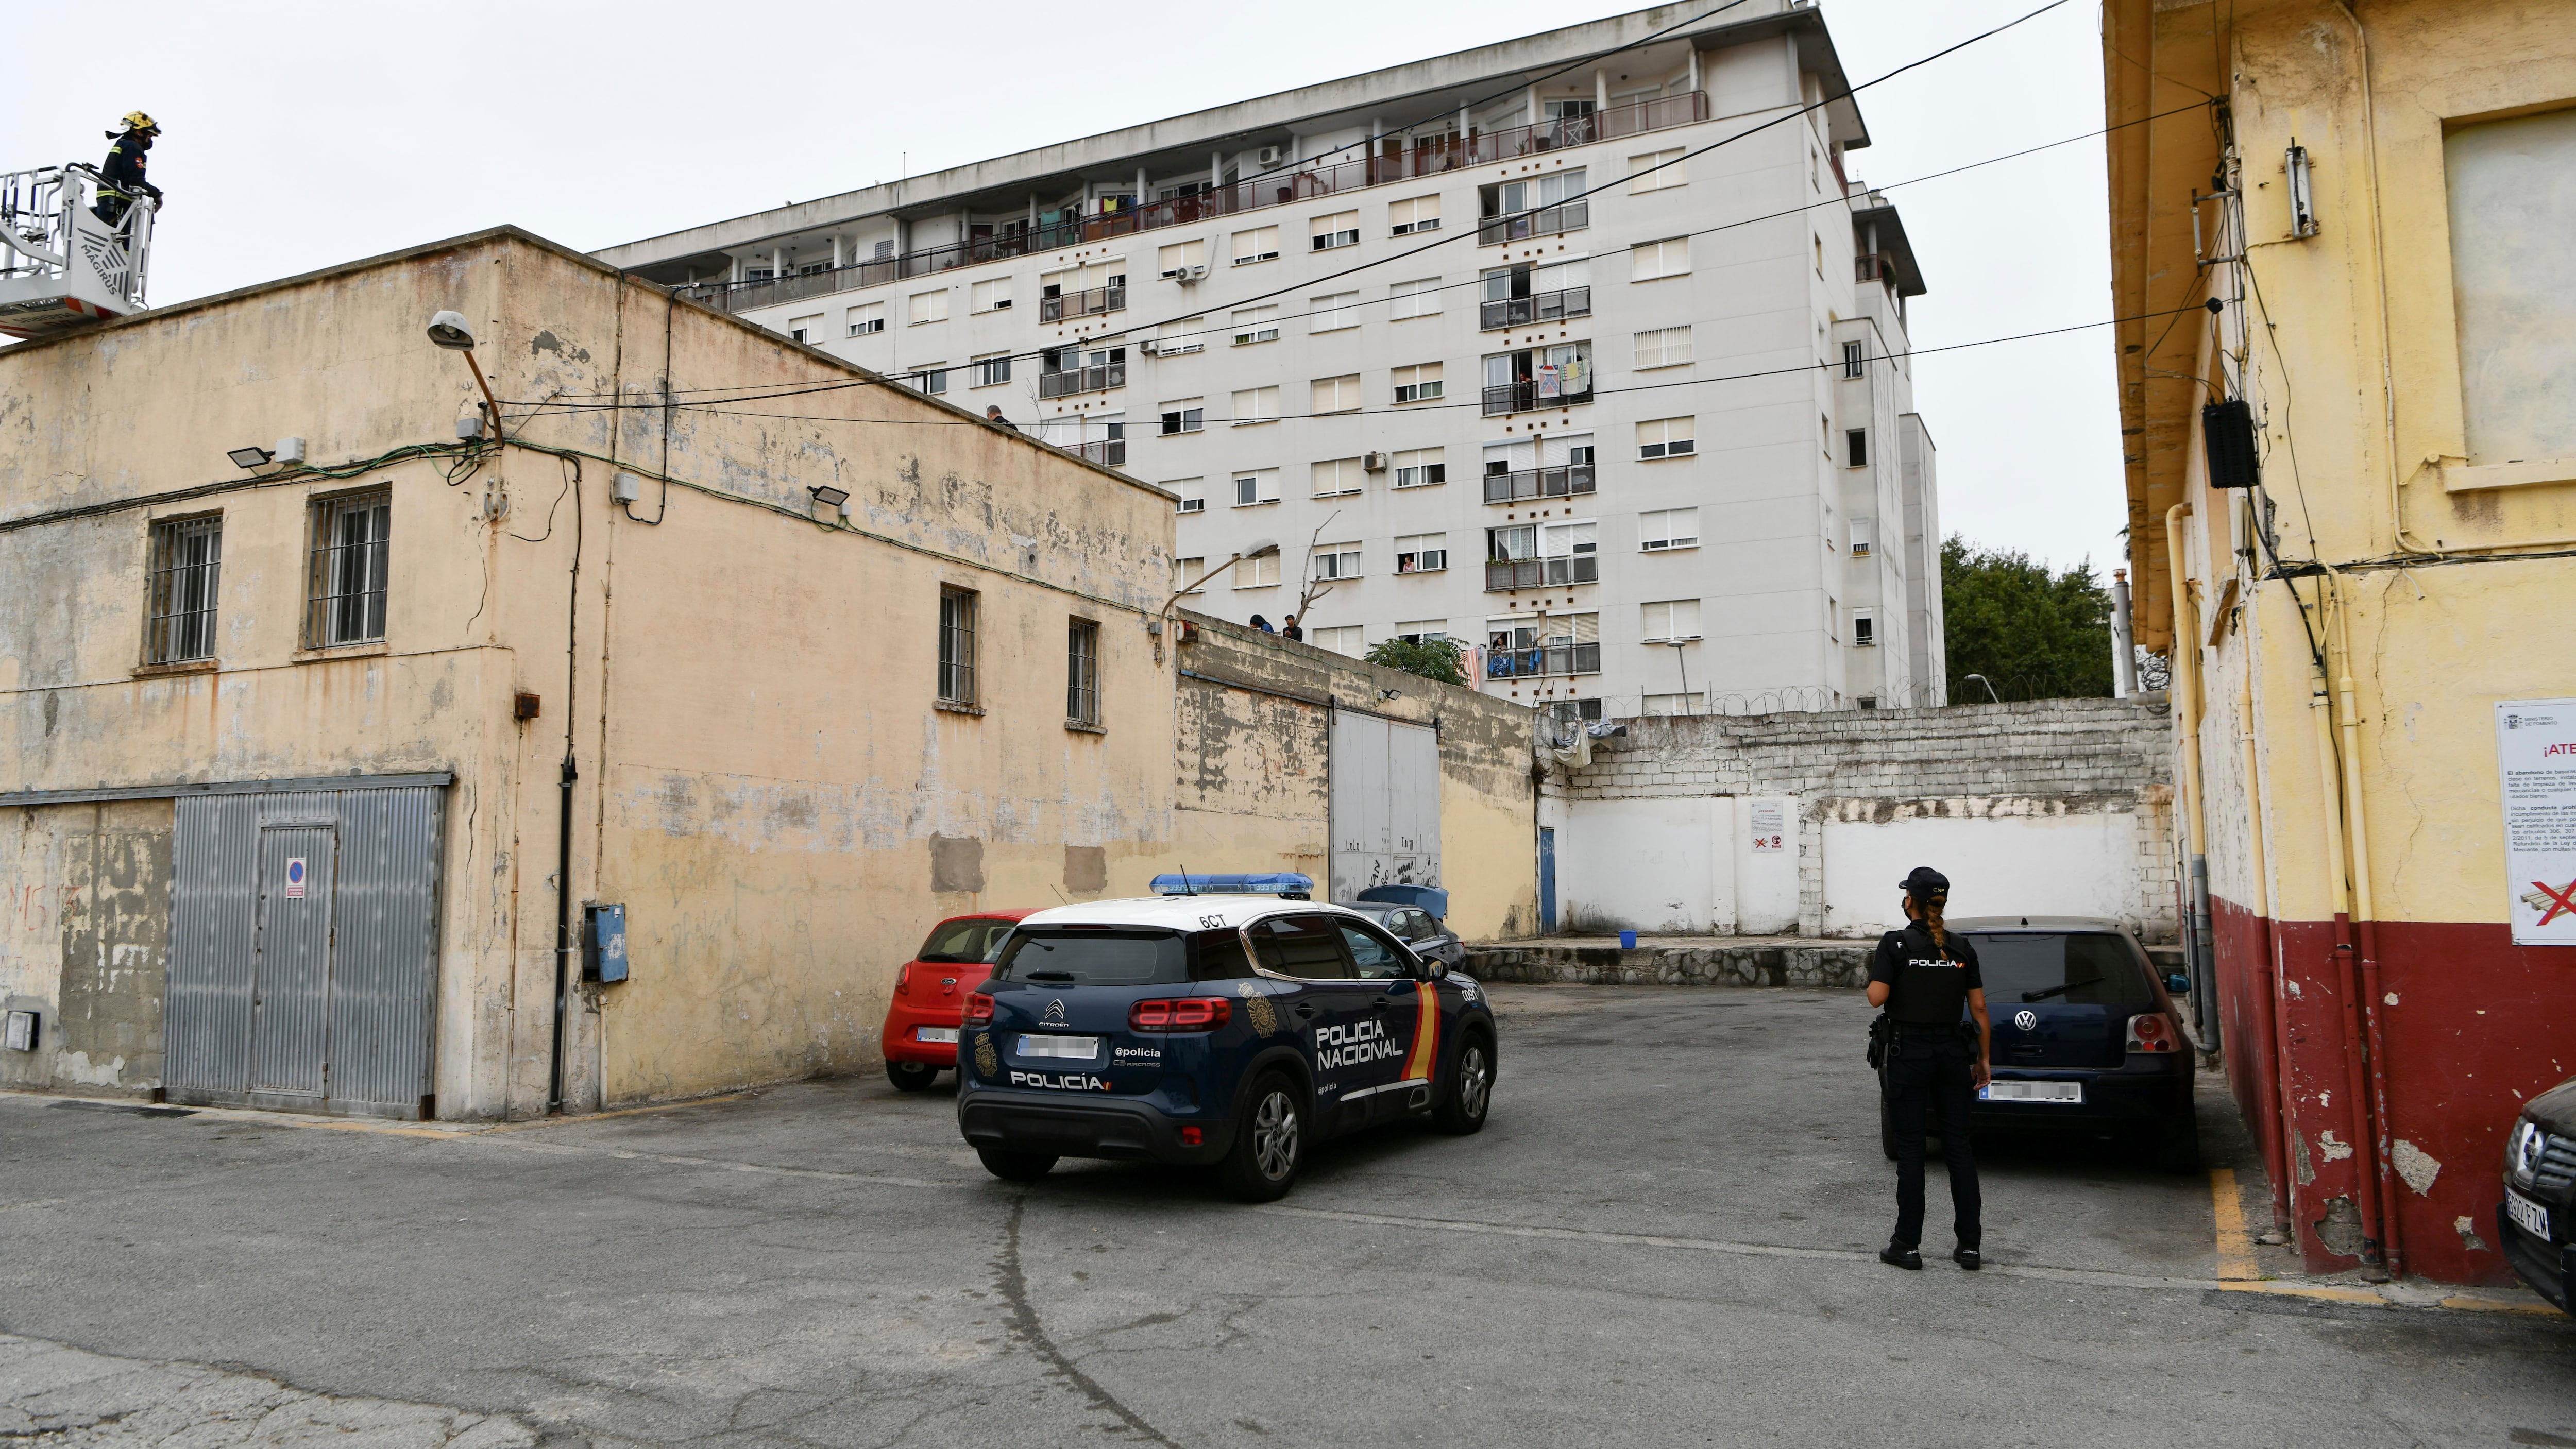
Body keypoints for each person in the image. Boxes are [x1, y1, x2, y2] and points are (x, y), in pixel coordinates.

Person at [1867, 865, 1991, 1271]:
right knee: (1959, 1149)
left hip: (1909, 1056)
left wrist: (1881, 975)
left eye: (1906, 894)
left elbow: (1876, 997)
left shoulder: (1895, 945)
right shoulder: (1960, 948)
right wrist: (1984, 1059)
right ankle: (1969, 1246)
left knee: (1912, 1151)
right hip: (1953, 1055)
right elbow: (1979, 1010)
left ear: (1911, 902)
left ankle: (1907, 1244)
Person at [95, 112, 163, 228]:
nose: (150, 140)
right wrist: (156, 195)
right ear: (139, 132)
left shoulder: (123, 144)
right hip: (118, 205)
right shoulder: (132, 147)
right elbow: (136, 180)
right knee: (123, 244)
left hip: (110, 203)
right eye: (150, 136)